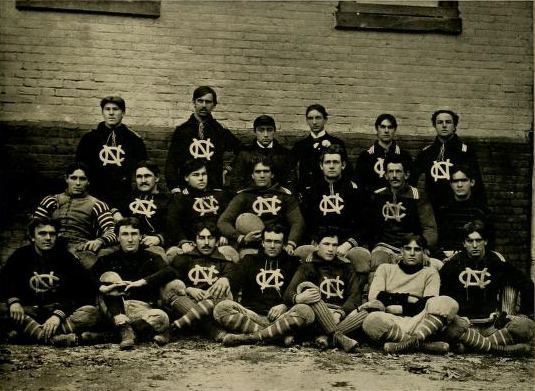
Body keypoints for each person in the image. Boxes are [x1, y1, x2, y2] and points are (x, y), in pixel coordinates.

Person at [440, 220, 534, 355]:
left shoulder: (496, 262)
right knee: (445, 329)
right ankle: (497, 348)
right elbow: (443, 298)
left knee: (525, 326)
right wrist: (456, 318)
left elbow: (526, 283)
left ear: (485, 241)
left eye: (478, 240)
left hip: (491, 325)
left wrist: (524, 313)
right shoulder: (452, 264)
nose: (474, 245)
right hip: (463, 325)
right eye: (469, 241)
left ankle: (472, 347)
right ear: (464, 243)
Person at [0, 218, 97, 345]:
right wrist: (14, 301)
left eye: (52, 234)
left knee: (91, 312)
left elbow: (82, 291)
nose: (48, 238)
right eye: (42, 233)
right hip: (28, 311)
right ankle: (53, 338)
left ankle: (35, 335)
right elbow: (6, 281)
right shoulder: (20, 256)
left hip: (57, 312)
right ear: (32, 237)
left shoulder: (66, 258)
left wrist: (58, 315)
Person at [214, 225, 314, 347]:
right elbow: (234, 276)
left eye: (277, 242)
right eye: (268, 241)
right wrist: (226, 278)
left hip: (283, 317)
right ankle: (277, 335)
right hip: (253, 316)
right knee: (221, 308)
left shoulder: (293, 263)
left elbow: (298, 292)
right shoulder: (249, 260)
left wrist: (285, 305)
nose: (272, 246)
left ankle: (251, 337)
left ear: (283, 244)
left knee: (306, 311)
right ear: (262, 242)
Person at [362, 234, 458, 354]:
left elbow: (429, 303)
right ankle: (422, 345)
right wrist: (408, 298)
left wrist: (400, 308)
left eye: (417, 249)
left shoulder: (430, 273)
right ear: (401, 251)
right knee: (371, 320)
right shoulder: (385, 269)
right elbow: (375, 297)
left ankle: (409, 342)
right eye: (408, 249)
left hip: (420, 322)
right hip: (391, 320)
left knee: (446, 303)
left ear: (424, 252)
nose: (412, 253)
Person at [90, 217, 170, 350]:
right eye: (125, 234)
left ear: (140, 237)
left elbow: (170, 271)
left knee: (161, 317)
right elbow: (88, 278)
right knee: (111, 279)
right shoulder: (107, 259)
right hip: (113, 309)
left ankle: (116, 334)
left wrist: (142, 282)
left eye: (134, 234)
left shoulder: (151, 257)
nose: (130, 239)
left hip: (141, 311)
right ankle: (123, 327)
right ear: (117, 237)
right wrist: (103, 287)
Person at [284, 232, 368, 352]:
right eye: (326, 244)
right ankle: (337, 337)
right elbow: (288, 293)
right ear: (317, 245)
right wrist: (299, 298)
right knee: (314, 296)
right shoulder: (308, 266)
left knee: (365, 312)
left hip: (339, 315)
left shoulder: (346, 267)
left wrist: (340, 313)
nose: (330, 249)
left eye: (334, 245)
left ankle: (326, 337)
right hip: (317, 313)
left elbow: (355, 296)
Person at [362, 155, 438, 284]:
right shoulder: (378, 195)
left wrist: (425, 248)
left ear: (407, 175)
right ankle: (374, 299)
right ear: (385, 175)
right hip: (384, 246)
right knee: (377, 262)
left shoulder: (418, 196)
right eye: (390, 172)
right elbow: (369, 226)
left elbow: (429, 227)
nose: (394, 176)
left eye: (398, 171)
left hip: (410, 245)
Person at [33, 162, 117, 269]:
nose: (77, 183)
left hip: (79, 250)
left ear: (88, 182)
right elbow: (34, 227)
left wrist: (99, 241)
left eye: (82, 179)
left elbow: (113, 231)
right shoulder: (51, 200)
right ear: (66, 179)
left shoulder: (97, 204)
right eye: (73, 178)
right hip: (51, 246)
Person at [159, 222, 234, 341]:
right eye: (201, 238)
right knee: (173, 293)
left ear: (217, 241)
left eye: (210, 238)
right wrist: (189, 289)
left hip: (212, 303)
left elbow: (233, 279)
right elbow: (173, 281)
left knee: (224, 295)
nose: (206, 243)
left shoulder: (224, 262)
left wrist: (226, 279)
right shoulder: (183, 259)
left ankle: (173, 328)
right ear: (194, 241)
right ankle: (212, 330)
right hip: (188, 303)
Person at [217, 158, 305, 254]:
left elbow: (297, 222)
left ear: (272, 174)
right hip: (252, 248)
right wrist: (241, 238)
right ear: (252, 175)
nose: (262, 175)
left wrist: (290, 243)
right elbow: (223, 222)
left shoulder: (285, 196)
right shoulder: (243, 196)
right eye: (258, 172)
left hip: (280, 246)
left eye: (266, 171)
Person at [76, 96, 148, 210]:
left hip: (123, 194)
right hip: (94, 193)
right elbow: (80, 167)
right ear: (102, 112)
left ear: (123, 112)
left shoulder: (134, 140)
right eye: (107, 109)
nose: (111, 113)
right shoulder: (89, 139)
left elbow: (142, 168)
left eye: (115, 109)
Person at [165, 86, 241, 192]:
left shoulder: (219, 130)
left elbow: (241, 150)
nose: (204, 105)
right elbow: (171, 162)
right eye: (200, 101)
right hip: (187, 187)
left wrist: (228, 169)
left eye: (208, 102)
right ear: (194, 102)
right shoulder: (182, 131)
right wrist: (174, 187)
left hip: (214, 186)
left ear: (214, 105)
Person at [301, 144, 370, 261]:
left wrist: (348, 244)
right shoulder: (311, 191)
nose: (331, 166)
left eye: (336, 162)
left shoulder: (355, 190)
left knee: (360, 259)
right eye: (327, 162)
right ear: (321, 165)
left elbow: (365, 224)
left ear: (343, 165)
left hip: (346, 244)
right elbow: (306, 222)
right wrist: (316, 243)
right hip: (319, 243)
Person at [410, 109, 486, 213]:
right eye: (440, 122)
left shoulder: (465, 151)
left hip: (458, 208)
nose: (444, 125)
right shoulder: (427, 152)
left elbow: (477, 184)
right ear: (435, 126)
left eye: (448, 122)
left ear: (454, 126)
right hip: (432, 208)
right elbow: (411, 181)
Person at [166, 159, 230, 257]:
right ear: (186, 177)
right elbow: (173, 223)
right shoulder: (180, 198)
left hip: (217, 243)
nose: (201, 178)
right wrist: (183, 242)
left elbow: (227, 218)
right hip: (191, 243)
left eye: (204, 174)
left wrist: (224, 235)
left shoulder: (219, 195)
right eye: (196, 175)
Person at [113, 160, 170, 254]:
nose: (143, 181)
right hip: (127, 242)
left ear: (157, 178)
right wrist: (116, 213)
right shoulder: (129, 197)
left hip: (151, 245)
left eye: (147, 176)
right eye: (139, 177)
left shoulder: (168, 200)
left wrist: (159, 238)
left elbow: (172, 227)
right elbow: (113, 206)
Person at [436, 164, 494, 256]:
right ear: (451, 184)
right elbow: (441, 241)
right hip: (448, 257)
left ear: (472, 182)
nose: (459, 185)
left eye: (464, 180)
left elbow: (489, 242)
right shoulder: (443, 211)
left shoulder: (482, 211)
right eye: (455, 181)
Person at [228, 115, 296, 192]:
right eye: (261, 130)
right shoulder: (244, 154)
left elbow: (291, 180)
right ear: (255, 131)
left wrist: (283, 192)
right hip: (251, 197)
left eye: (269, 130)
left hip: (277, 197)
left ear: (274, 131)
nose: (266, 134)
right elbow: (236, 180)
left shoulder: (284, 154)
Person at [291, 104, 348, 196]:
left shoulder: (336, 142)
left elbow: (346, 170)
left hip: (329, 192)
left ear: (325, 120)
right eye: (310, 118)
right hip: (306, 194)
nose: (314, 122)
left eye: (318, 118)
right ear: (306, 121)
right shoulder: (300, 146)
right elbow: (291, 170)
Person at [354, 113, 413, 196]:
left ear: (395, 129)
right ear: (376, 128)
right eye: (382, 127)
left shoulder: (404, 156)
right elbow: (359, 184)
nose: (386, 131)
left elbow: (410, 184)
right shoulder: (366, 156)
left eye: (390, 127)